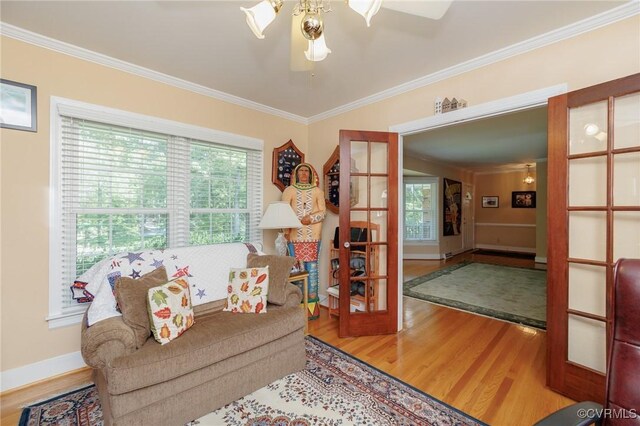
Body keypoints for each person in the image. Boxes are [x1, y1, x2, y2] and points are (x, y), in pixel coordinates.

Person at [282, 163, 326, 320]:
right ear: (296, 173)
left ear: (311, 174)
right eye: (301, 170)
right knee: (298, 269)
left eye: (306, 171)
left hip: (313, 237)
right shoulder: (289, 191)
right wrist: (286, 232)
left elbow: (323, 212)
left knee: (312, 268)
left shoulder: (317, 192)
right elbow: (284, 212)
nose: (303, 173)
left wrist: (311, 218)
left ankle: (312, 305)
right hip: (294, 237)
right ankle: (299, 305)